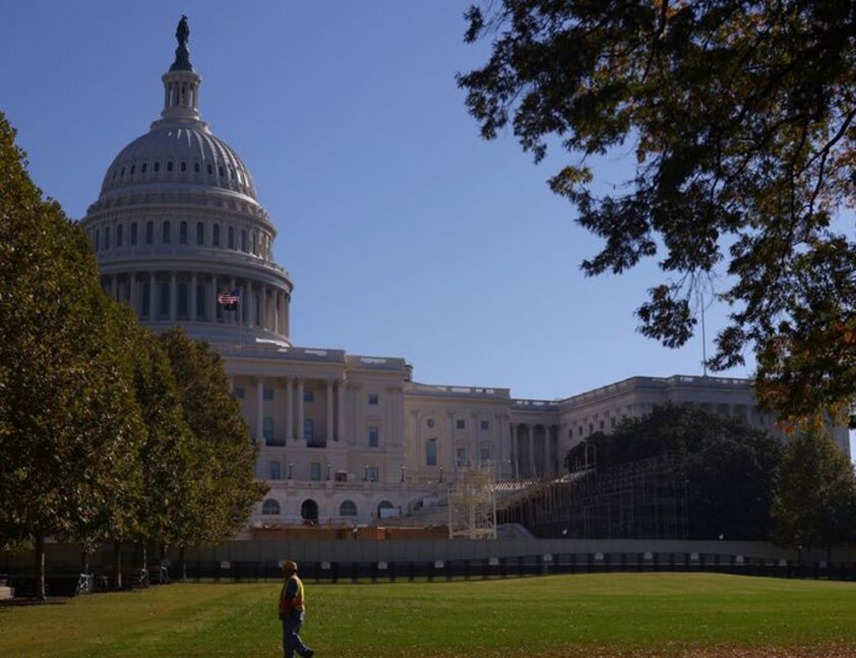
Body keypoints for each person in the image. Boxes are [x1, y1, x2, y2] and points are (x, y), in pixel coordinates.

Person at [279, 560, 314, 658]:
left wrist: (286, 610)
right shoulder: (293, 580)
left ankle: (305, 652)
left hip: (293, 611)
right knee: (287, 638)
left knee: (290, 635)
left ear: (289, 570)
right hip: (294, 611)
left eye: (285, 571)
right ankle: (289, 656)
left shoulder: (293, 581)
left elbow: (290, 597)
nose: (284, 573)